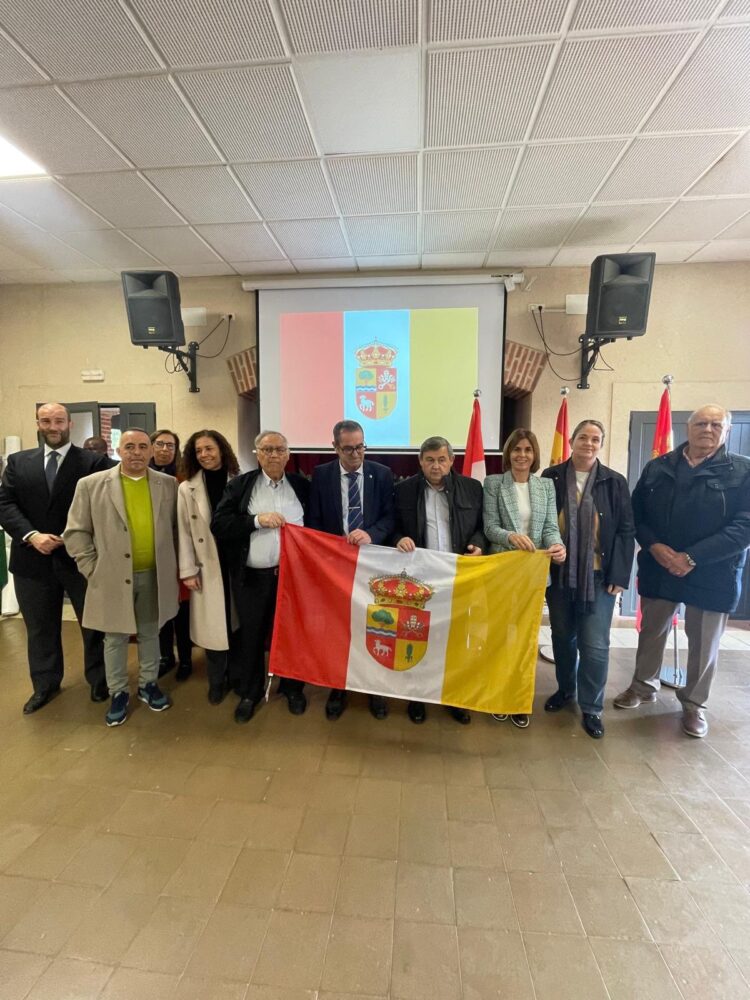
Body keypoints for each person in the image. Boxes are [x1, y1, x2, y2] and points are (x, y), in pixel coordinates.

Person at [614, 405, 750, 738]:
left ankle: (693, 705)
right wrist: (655, 547)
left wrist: (691, 557)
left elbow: (744, 525)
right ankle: (642, 686)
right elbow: (637, 514)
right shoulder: (658, 467)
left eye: (716, 424)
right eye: (701, 423)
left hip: (713, 571)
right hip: (660, 564)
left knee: (705, 642)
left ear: (727, 431)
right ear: (688, 428)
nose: (708, 429)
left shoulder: (743, 471)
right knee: (652, 633)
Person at [63, 428, 179, 727]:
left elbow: (177, 530)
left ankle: (148, 685)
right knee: (114, 637)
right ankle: (118, 692)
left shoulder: (168, 485)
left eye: (143, 446)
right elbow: (75, 532)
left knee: (150, 632)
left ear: (151, 451)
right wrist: (92, 569)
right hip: (112, 577)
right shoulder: (91, 485)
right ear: (118, 449)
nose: (137, 452)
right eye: (130, 446)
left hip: (153, 575)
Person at [0, 402, 108, 713]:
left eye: (59, 420)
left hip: (81, 559)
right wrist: (31, 535)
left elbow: (103, 507)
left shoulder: (93, 462)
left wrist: (74, 537)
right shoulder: (19, 463)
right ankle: (45, 685)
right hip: (32, 559)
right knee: (40, 628)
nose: (53, 426)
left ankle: (99, 682)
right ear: (37, 423)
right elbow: (5, 503)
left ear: (70, 424)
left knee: (94, 625)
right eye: (46, 420)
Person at [541, 419, 635, 739]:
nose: (589, 444)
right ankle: (566, 690)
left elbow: (625, 531)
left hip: (599, 575)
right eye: (583, 437)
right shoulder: (551, 477)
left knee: (594, 646)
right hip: (559, 575)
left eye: (596, 439)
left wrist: (620, 575)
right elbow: (543, 523)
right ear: (571, 440)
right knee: (562, 638)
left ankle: (592, 707)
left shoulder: (615, 482)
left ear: (601, 444)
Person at [211, 430, 309, 723]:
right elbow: (220, 524)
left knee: (291, 635)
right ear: (257, 454)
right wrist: (256, 520)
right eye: (267, 450)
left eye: (280, 450)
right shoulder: (241, 486)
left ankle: (292, 688)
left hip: (292, 579)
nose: (274, 455)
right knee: (251, 636)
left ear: (289, 455)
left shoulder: (303, 486)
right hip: (252, 577)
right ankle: (250, 693)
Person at [394, 435, 485, 725]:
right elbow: (392, 526)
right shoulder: (403, 490)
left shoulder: (472, 488)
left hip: (458, 575)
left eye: (441, 459)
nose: (436, 466)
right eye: (430, 460)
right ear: (420, 461)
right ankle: (417, 697)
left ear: (451, 461)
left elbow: (482, 527)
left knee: (457, 640)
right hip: (420, 576)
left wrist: (478, 544)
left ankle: (454, 697)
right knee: (419, 638)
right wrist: (399, 537)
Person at [307, 419, 395, 720]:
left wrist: (371, 533)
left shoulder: (381, 474)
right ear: (335, 447)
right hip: (336, 566)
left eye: (360, 446)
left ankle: (374, 688)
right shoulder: (321, 475)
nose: (356, 454)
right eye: (348, 449)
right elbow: (315, 521)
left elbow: (390, 518)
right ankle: (338, 687)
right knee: (339, 628)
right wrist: (330, 551)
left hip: (373, 564)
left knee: (375, 626)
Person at [483, 428, 566, 729]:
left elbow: (549, 529)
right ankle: (498, 694)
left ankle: (519, 698)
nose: (522, 455)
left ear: (535, 455)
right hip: (503, 569)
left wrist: (557, 544)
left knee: (526, 639)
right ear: (508, 453)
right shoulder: (493, 483)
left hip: (533, 574)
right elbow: (490, 527)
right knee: (501, 636)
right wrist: (511, 536)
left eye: (527, 450)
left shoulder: (545, 486)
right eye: (516, 449)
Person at [178, 430, 240, 705]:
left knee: (237, 623)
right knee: (213, 626)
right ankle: (217, 681)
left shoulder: (240, 480)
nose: (204, 455)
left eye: (209, 449)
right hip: (207, 565)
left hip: (237, 563)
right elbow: (183, 531)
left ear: (222, 450)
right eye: (199, 451)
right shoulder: (186, 488)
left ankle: (238, 678)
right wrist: (188, 570)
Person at [150, 428, 192, 681]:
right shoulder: (140, 475)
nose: (165, 449)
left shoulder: (184, 479)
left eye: (171, 446)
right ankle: (166, 656)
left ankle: (186, 659)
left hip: (179, 553)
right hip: (153, 555)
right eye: (160, 444)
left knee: (182, 611)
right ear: (151, 446)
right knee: (160, 611)